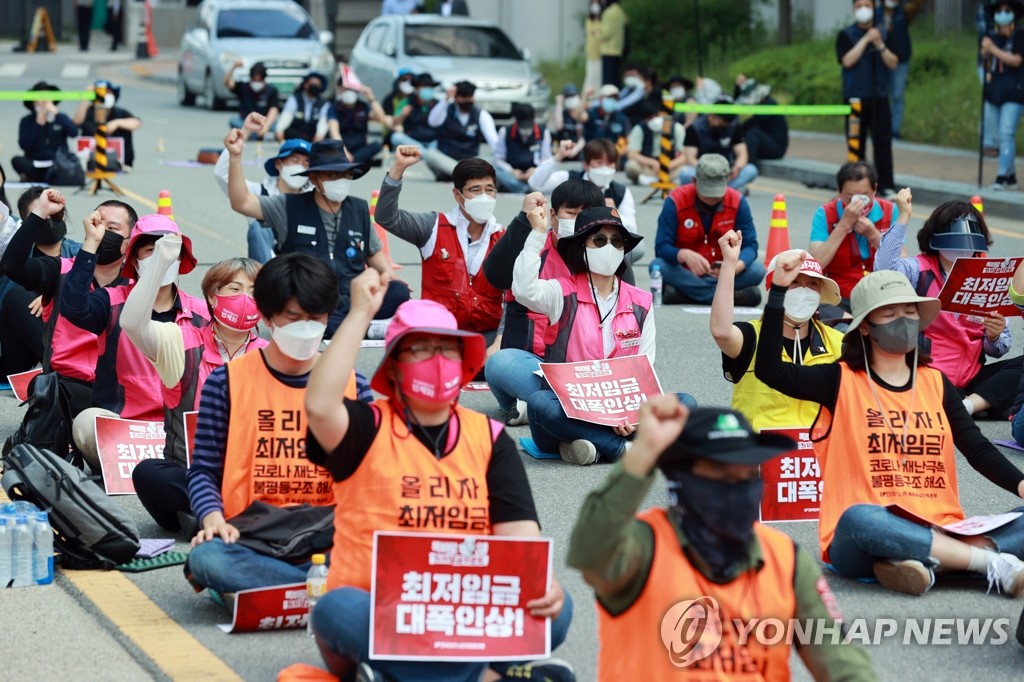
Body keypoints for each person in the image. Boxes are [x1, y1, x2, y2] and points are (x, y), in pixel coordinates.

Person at [304, 279, 575, 682]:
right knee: (332, 609)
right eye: (420, 348)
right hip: (379, 607)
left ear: (463, 361)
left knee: (559, 608)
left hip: (466, 610)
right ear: (393, 365)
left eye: (446, 348)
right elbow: (320, 405)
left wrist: (540, 586)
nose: (436, 358)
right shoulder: (364, 427)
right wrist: (360, 313)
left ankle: (407, 673)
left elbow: (519, 538)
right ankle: (489, 676)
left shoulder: (490, 438)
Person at [756, 257, 1024, 597]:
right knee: (858, 519)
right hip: (866, 531)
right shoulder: (839, 379)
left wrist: (1020, 483)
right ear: (865, 326)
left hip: (941, 525)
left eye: (910, 312)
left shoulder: (936, 383)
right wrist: (778, 291)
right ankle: (984, 562)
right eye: (890, 314)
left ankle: (926, 562)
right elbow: (770, 371)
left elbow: (977, 448)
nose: (903, 321)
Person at [567, 399, 878, 680]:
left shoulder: (786, 558)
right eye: (723, 478)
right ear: (683, 483)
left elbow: (841, 661)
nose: (739, 490)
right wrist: (645, 451)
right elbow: (590, 552)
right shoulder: (644, 545)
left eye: (747, 478)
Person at [185, 253, 366, 594]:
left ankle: (281, 590)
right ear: (266, 316)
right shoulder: (226, 382)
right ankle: (324, 588)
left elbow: (374, 474)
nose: (306, 328)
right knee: (207, 557)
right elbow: (203, 470)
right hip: (250, 535)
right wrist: (212, 519)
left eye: (316, 318)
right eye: (293, 317)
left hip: (331, 532)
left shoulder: (355, 385)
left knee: (382, 550)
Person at [125, 239, 267, 534]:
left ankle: (212, 516)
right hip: (191, 473)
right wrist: (159, 267)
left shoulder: (270, 354)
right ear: (213, 298)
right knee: (149, 474)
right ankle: (231, 515)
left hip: (253, 475)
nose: (245, 298)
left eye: (255, 292)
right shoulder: (182, 342)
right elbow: (133, 324)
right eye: (235, 289)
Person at [513, 206, 670, 466]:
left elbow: (645, 366)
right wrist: (538, 233)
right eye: (599, 240)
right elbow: (523, 290)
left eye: (617, 241)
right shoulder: (560, 293)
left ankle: (591, 447)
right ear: (581, 247)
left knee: (684, 403)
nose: (610, 247)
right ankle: (621, 449)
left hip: (623, 413)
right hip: (570, 410)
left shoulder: (641, 301)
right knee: (540, 404)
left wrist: (629, 414)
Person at [225, 127, 409, 335]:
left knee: (398, 292)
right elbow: (241, 202)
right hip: (308, 297)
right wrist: (235, 156)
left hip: (351, 295)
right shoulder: (288, 206)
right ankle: (364, 327)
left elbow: (373, 252)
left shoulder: (358, 208)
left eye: (344, 174)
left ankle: (351, 324)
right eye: (331, 175)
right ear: (314, 179)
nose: (339, 180)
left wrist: (390, 277)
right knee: (312, 321)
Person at [61, 214, 208, 472]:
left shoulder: (202, 313)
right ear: (134, 261)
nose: (161, 258)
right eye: (152, 250)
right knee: (85, 423)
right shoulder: (112, 301)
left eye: (168, 251)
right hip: (124, 427)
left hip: (178, 428)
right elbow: (72, 307)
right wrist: (91, 244)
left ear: (180, 258)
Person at [875, 194, 1023, 420]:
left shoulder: (989, 275)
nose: (962, 250)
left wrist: (993, 336)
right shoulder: (919, 270)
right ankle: (979, 404)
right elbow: (883, 270)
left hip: (972, 377)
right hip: (929, 373)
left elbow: (999, 349)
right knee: (931, 387)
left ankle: (967, 407)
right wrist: (903, 215)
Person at [484, 180, 611, 425]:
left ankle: (542, 407)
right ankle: (569, 409)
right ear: (553, 214)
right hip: (535, 364)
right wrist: (524, 221)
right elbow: (496, 275)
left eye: (585, 216)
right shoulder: (532, 246)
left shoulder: (606, 254)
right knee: (499, 363)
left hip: (586, 370)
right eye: (571, 213)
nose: (577, 221)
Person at [0, 190, 134, 417]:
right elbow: (13, 265)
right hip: (69, 387)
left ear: (130, 242)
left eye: (112, 228)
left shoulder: (137, 286)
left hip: (119, 390)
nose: (101, 232)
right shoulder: (61, 270)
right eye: (97, 223)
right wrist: (40, 213)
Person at [712, 237, 844, 432]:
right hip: (759, 452)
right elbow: (721, 332)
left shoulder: (838, 342)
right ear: (776, 287)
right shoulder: (751, 336)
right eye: (794, 282)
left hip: (817, 454)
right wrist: (729, 264)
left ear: (822, 291)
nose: (804, 290)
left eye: (813, 284)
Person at [375, 147, 504, 344]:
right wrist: (397, 169)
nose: (484, 197)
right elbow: (386, 218)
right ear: (457, 195)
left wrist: (498, 344)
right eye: (475, 190)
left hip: (486, 335)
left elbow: (514, 299)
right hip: (439, 334)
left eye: (489, 190)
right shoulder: (433, 227)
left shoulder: (503, 238)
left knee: (507, 357)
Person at [651, 154, 765, 306]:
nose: (711, 198)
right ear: (694, 181)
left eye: (716, 194)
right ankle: (730, 296)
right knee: (658, 266)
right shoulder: (675, 201)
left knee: (757, 270)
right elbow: (661, 247)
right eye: (706, 193)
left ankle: (687, 295)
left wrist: (734, 267)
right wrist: (683, 255)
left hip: (725, 274)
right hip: (687, 272)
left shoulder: (738, 201)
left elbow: (751, 245)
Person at [0, 188, 84, 380]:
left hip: (67, 342)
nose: (48, 219)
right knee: (18, 296)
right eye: (40, 214)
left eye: (54, 213)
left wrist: (54, 297)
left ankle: (66, 368)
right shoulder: (14, 257)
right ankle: (62, 371)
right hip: (18, 354)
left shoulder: (80, 253)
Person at [215, 118, 312, 264]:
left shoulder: (314, 196)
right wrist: (245, 132)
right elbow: (222, 175)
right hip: (269, 268)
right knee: (257, 227)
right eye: (295, 160)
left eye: (306, 163)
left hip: (305, 267)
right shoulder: (259, 192)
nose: (300, 167)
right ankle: (265, 284)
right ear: (279, 164)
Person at [809, 161, 895, 310]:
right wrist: (843, 226)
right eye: (850, 197)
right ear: (840, 192)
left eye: (864, 197)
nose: (857, 204)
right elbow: (816, 265)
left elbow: (902, 262)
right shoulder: (824, 213)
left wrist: (874, 236)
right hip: (839, 295)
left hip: (879, 293)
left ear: (874, 189)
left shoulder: (890, 210)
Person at [529, 138, 639, 251]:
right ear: (586, 164)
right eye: (599, 163)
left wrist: (615, 215)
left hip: (599, 242)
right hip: (565, 236)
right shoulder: (568, 179)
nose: (605, 169)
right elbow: (535, 183)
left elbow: (632, 230)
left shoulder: (621, 192)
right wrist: (558, 157)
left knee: (637, 249)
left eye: (610, 163)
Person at [838, 0, 898, 197]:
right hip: (855, 100)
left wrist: (879, 43)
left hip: (879, 97)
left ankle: (885, 184)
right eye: (860, 5)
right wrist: (865, 40)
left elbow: (893, 62)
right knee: (856, 144)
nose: (864, 9)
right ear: (854, 9)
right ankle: (855, 186)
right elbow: (847, 60)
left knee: (883, 142)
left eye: (868, 5)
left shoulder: (884, 33)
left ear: (874, 9)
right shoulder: (846, 35)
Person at [981, 1, 1024, 190]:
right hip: (995, 90)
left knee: (1007, 132)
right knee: (999, 135)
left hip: (1014, 91)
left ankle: (1000, 177)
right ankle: (1011, 176)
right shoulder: (992, 35)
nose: (1003, 14)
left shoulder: (1020, 35)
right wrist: (985, 52)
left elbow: (1016, 60)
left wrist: (993, 50)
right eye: (999, 11)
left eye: (1007, 11)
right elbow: (987, 64)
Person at [678, 96, 758, 193]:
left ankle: (719, 191)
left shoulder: (734, 127)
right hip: (703, 173)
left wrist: (737, 168)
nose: (726, 124)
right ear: (712, 115)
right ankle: (729, 191)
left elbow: (742, 154)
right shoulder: (695, 128)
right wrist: (709, 171)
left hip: (726, 173)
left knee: (751, 170)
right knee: (685, 173)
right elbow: (690, 159)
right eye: (723, 120)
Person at [424, 81, 500, 181]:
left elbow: (494, 141)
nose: (468, 100)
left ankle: (460, 174)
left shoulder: (481, 114)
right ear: (456, 97)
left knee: (494, 160)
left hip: (470, 161)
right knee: (429, 154)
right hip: (446, 159)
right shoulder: (446, 109)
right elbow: (433, 122)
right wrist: (446, 99)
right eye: (464, 98)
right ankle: (465, 175)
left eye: (470, 97)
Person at [12, 82, 79, 183]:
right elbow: (24, 145)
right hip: (35, 162)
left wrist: (56, 113)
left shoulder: (60, 117)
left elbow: (74, 133)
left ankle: (38, 177)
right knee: (17, 160)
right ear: (33, 102)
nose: (44, 100)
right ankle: (44, 177)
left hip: (58, 163)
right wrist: (38, 124)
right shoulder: (27, 120)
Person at [879, 1, 926, 139]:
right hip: (882, 59)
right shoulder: (877, 14)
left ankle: (895, 129)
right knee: (881, 95)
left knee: (897, 95)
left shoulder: (903, 12)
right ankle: (882, 127)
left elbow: (917, 5)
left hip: (901, 60)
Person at [72, 80, 142, 170]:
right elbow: (76, 121)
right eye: (101, 92)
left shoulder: (119, 112)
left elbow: (137, 122)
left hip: (118, 161)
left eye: (108, 92)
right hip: (91, 159)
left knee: (125, 128)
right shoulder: (88, 111)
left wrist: (117, 123)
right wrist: (86, 96)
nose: (105, 95)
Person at [492, 103, 553, 194]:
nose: (525, 129)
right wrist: (512, 171)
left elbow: (547, 158)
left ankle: (521, 188)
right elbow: (498, 159)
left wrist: (535, 170)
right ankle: (525, 189)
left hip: (535, 172)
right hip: (513, 173)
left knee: (552, 167)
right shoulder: (505, 132)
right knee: (495, 170)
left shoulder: (543, 132)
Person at [623, 101, 686, 186]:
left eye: (656, 116)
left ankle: (655, 179)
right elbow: (632, 154)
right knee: (631, 166)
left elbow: (684, 156)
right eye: (649, 118)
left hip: (671, 167)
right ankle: (650, 179)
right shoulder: (640, 129)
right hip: (648, 167)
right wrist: (652, 162)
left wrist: (669, 165)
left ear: (663, 113)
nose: (654, 120)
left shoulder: (676, 128)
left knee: (686, 171)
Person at [327, 81, 390, 165]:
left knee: (376, 146)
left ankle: (350, 162)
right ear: (340, 89)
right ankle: (357, 161)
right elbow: (334, 131)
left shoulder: (363, 106)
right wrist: (343, 151)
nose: (349, 91)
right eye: (346, 88)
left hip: (359, 148)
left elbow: (382, 119)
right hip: (342, 147)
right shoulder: (334, 107)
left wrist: (370, 97)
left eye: (351, 88)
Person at [733, 75, 789, 166]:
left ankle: (749, 166)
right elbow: (734, 105)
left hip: (777, 148)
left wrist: (737, 132)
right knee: (748, 134)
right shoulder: (763, 104)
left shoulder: (770, 104)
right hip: (767, 144)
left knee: (753, 133)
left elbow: (751, 123)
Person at [225, 62, 280, 138]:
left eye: (259, 80)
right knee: (234, 122)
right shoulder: (243, 87)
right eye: (254, 80)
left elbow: (273, 110)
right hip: (245, 122)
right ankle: (259, 136)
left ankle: (250, 135)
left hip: (263, 123)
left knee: (278, 126)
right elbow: (227, 83)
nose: (256, 83)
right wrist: (233, 67)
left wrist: (266, 127)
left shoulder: (271, 90)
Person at [389, 73, 441, 152]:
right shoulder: (407, 102)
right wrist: (403, 114)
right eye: (424, 86)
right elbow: (394, 123)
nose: (427, 89)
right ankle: (425, 154)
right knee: (396, 137)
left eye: (430, 87)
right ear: (416, 88)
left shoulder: (438, 104)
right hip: (412, 140)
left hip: (432, 141)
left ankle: (423, 153)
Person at [276, 72, 331, 143]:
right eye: (312, 84)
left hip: (313, 138)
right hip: (296, 137)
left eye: (317, 85)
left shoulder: (324, 103)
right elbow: (286, 116)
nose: (314, 86)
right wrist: (279, 131)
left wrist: (319, 135)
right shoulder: (294, 99)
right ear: (305, 84)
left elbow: (323, 122)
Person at [548, 84, 586, 155]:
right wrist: (559, 103)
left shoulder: (583, 114)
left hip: (580, 152)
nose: (571, 99)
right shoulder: (561, 113)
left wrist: (576, 149)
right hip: (564, 151)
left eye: (573, 96)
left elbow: (585, 136)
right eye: (568, 97)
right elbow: (559, 126)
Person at [598, 0, 628, 88]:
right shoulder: (620, 12)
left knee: (608, 83)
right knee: (616, 80)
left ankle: (609, 100)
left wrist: (597, 33)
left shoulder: (608, 13)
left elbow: (606, 33)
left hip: (608, 51)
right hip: (618, 50)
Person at [584, 5, 603, 93]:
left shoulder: (601, 21)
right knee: (591, 75)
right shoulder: (589, 21)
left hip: (600, 52)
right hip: (591, 52)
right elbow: (592, 31)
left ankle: (597, 94)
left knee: (598, 76)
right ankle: (588, 94)